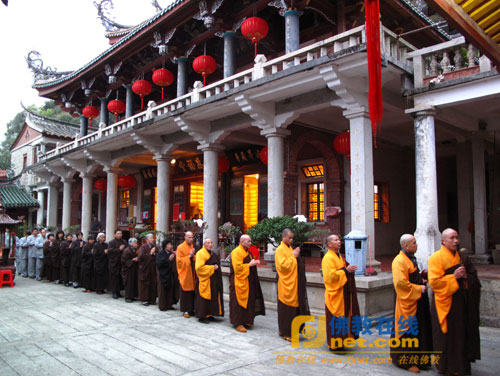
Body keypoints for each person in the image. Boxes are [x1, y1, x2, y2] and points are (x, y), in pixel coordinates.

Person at [428, 228, 481, 375]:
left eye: (457, 237)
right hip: (443, 302)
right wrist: (454, 277)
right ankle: (445, 367)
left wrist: (466, 278)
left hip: (460, 302)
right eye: (452, 238)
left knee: (460, 334)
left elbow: (473, 277)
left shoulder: (462, 257)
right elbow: (434, 283)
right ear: (443, 241)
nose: (456, 241)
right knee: (444, 336)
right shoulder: (436, 258)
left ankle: (460, 366)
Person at [390, 234, 433, 373]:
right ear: (406, 246)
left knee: (419, 330)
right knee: (408, 331)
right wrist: (418, 288)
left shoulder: (410, 258)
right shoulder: (399, 261)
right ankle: (405, 361)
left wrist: (421, 278)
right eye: (414, 243)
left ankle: (420, 359)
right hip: (407, 302)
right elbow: (400, 283)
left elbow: (411, 276)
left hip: (417, 301)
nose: (417, 245)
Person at [322, 234, 360, 352]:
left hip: (343, 291)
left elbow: (343, 268)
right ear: (329, 244)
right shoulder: (328, 258)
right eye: (336, 240)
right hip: (335, 293)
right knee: (336, 318)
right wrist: (345, 270)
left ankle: (342, 341)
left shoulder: (339, 256)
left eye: (339, 239)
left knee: (344, 317)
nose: (339, 241)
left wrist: (348, 268)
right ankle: (334, 345)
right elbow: (330, 277)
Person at [275, 228, 310, 342]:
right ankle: (286, 332)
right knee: (286, 310)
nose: (291, 240)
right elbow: (282, 266)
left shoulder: (290, 248)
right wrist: (293, 256)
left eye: (292, 238)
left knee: (293, 309)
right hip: (286, 284)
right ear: (283, 237)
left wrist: (294, 255)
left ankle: (286, 330)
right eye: (289, 237)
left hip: (294, 283)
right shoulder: (280, 249)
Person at [229, 234, 265, 333]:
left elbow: (249, 263)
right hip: (238, 280)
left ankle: (246, 320)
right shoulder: (236, 252)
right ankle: (238, 322)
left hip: (247, 280)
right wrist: (249, 264)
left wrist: (254, 262)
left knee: (249, 300)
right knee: (238, 302)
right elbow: (237, 268)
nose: (250, 243)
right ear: (242, 242)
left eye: (250, 241)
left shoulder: (247, 252)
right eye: (248, 241)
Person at [195, 238, 224, 323]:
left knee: (213, 296)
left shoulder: (212, 253)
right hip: (205, 279)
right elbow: (199, 268)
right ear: (204, 244)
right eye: (208, 243)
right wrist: (212, 268)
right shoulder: (200, 253)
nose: (210, 244)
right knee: (204, 297)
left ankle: (210, 314)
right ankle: (202, 316)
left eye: (211, 243)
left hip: (213, 279)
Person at [176, 231, 196, 318]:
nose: (191, 239)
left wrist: (193, 256)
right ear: (185, 238)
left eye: (192, 237)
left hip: (191, 271)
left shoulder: (192, 246)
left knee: (192, 292)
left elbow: (194, 258)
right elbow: (179, 261)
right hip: (185, 272)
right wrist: (189, 256)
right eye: (189, 237)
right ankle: (185, 310)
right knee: (185, 292)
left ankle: (191, 309)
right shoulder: (180, 247)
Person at [156, 239, 177, 311]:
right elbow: (159, 264)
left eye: (171, 244)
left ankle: (169, 304)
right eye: (169, 244)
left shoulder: (171, 253)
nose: (171, 246)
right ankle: (162, 306)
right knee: (162, 291)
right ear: (165, 246)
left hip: (170, 274)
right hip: (163, 274)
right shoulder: (161, 253)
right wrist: (168, 260)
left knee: (170, 290)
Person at [138, 234, 157, 306]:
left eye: (153, 238)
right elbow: (141, 257)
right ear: (147, 240)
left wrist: (154, 253)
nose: (153, 239)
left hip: (152, 268)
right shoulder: (143, 247)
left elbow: (157, 255)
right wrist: (150, 253)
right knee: (145, 284)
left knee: (152, 283)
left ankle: (152, 299)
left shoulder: (154, 247)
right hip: (145, 268)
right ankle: (144, 299)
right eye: (151, 238)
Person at [107, 230, 127, 299]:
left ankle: (118, 291)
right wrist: (119, 249)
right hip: (114, 263)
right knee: (114, 278)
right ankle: (114, 292)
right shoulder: (111, 242)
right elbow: (109, 251)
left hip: (121, 263)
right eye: (118, 233)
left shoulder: (124, 242)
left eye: (121, 233)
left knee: (119, 278)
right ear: (114, 234)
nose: (120, 235)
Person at [121, 237, 139, 303]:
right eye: (135, 243)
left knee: (133, 283)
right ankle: (128, 297)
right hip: (128, 270)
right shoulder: (127, 250)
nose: (136, 244)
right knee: (129, 283)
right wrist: (132, 260)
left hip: (134, 268)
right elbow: (124, 261)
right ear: (131, 244)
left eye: (136, 243)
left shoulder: (135, 250)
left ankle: (132, 296)